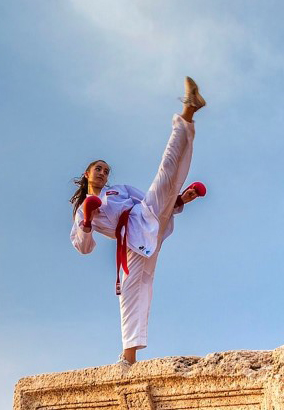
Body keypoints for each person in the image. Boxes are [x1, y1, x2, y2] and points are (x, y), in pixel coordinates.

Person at [69, 77, 207, 364]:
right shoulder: (84, 207)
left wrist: (180, 199)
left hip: (144, 216)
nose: (103, 173)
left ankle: (189, 112)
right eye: (98, 168)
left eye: (107, 170)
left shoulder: (120, 191)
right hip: (131, 243)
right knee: (132, 291)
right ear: (86, 174)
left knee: (167, 174)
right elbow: (83, 247)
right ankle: (129, 356)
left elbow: (154, 199)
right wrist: (86, 220)